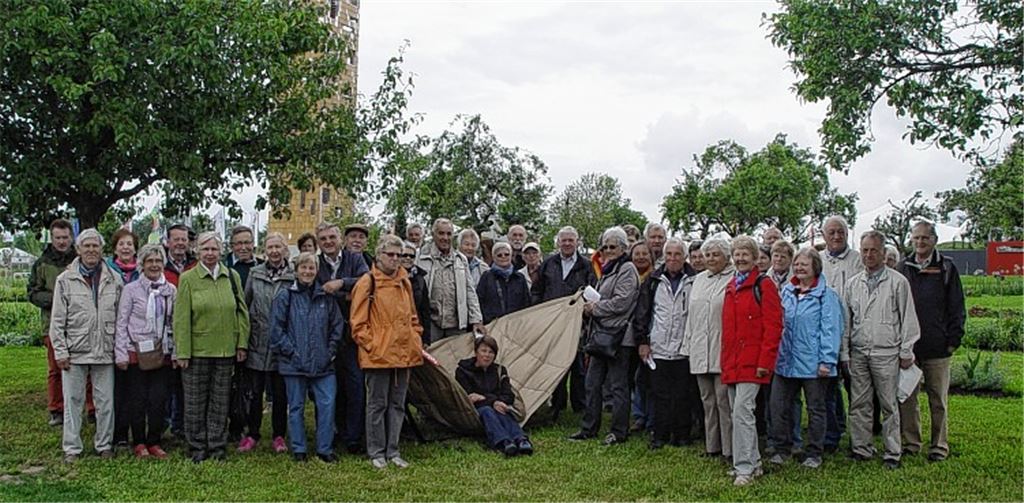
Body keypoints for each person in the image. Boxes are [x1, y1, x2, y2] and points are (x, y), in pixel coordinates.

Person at [842, 230, 920, 470]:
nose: (868, 255)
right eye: (864, 250)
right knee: (859, 403)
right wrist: (844, 351)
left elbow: (908, 318)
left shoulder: (898, 282)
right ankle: (861, 448)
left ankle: (892, 452)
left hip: (886, 353)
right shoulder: (853, 284)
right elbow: (847, 321)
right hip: (859, 351)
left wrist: (906, 350)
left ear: (883, 253)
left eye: (874, 250)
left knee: (889, 404)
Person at [173, 231, 250, 463]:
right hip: (198, 351)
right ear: (197, 251)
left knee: (220, 400)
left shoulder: (232, 276)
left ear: (221, 251)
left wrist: (241, 343)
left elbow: (241, 312)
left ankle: (217, 444)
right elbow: (181, 318)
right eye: (205, 249)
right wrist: (183, 351)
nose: (210, 253)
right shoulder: (188, 279)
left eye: (214, 249)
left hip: (226, 350)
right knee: (195, 401)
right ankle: (197, 445)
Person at [50, 229, 124, 463]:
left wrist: (119, 349)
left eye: (96, 246)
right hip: (75, 350)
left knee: (106, 402)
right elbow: (57, 321)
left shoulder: (114, 278)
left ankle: (104, 445)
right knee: (73, 401)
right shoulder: (65, 280)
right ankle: (72, 448)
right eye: (87, 246)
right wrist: (60, 351)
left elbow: (122, 318)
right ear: (78, 249)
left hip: (105, 349)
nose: (91, 250)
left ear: (102, 250)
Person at [350, 235, 424, 469]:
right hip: (378, 356)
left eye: (398, 255)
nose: (395, 259)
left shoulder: (405, 282)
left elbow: (413, 316)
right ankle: (376, 452)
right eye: (390, 254)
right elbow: (358, 324)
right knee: (377, 405)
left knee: (398, 404)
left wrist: (415, 335)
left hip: (404, 354)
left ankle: (393, 450)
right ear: (378, 255)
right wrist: (373, 345)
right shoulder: (367, 282)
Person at [897, 221, 965, 462]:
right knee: (907, 399)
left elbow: (957, 306)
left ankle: (938, 447)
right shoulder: (903, 266)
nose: (920, 242)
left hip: (937, 346)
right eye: (916, 238)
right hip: (909, 348)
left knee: (938, 400)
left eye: (924, 238)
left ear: (934, 240)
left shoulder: (946, 267)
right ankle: (911, 443)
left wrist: (952, 341)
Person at [769, 247, 842, 469]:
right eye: (797, 264)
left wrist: (827, 360)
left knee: (816, 408)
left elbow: (831, 329)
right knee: (779, 405)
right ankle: (783, 447)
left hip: (813, 363)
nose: (800, 268)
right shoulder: (787, 292)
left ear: (815, 267)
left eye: (805, 264)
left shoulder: (826, 296)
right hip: (786, 361)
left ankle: (814, 452)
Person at [721, 235, 783, 486]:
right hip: (733, 360)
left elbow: (774, 325)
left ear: (756, 257)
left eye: (745, 253)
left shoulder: (764, 284)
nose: (740, 258)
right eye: (737, 253)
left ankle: (744, 467)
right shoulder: (731, 285)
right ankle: (753, 462)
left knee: (743, 413)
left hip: (753, 360)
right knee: (738, 412)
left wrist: (764, 361)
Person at [271, 252, 344, 463]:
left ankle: (325, 448)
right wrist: (292, 353)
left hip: (323, 364)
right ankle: (299, 448)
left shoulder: (326, 297)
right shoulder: (285, 296)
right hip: (293, 363)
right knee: (295, 407)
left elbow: (337, 328)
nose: (307, 271)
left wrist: (329, 353)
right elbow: (276, 331)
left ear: (317, 270)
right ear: (296, 271)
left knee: (327, 404)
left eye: (311, 268)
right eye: (303, 268)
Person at [569, 227, 639, 446]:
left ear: (623, 248)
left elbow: (622, 302)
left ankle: (619, 431)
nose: (608, 251)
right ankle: (589, 427)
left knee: (618, 386)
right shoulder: (608, 269)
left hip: (619, 337)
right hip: (601, 335)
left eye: (612, 247)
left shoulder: (627, 269)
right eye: (604, 247)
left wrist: (594, 308)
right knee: (592, 383)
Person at [632, 238, 697, 449]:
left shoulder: (695, 280)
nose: (672, 259)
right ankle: (659, 434)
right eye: (669, 254)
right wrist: (642, 341)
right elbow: (642, 313)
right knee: (659, 394)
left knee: (683, 394)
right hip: (658, 347)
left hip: (684, 347)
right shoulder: (653, 280)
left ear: (684, 257)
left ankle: (682, 435)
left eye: (677, 254)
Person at [114, 243, 175, 459]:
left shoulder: (170, 290)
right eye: (150, 261)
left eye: (158, 261)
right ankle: (139, 442)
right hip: (135, 352)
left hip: (161, 353)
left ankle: (154, 441)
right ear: (141, 264)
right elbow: (121, 322)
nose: (154, 265)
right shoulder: (131, 290)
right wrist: (121, 353)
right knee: (137, 400)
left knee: (158, 400)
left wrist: (175, 352)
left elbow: (174, 322)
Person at [314, 222, 369, 454]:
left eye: (332, 237)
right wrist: (346, 295)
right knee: (327, 387)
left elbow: (367, 282)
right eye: (323, 238)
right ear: (319, 242)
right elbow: (314, 291)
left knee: (355, 385)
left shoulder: (355, 259)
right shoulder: (314, 264)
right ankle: (329, 432)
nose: (328, 242)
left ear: (340, 239)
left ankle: (353, 436)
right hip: (324, 334)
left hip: (351, 333)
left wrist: (341, 283)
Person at [531, 226, 596, 419]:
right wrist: (541, 311)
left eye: (571, 240)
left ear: (577, 242)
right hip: (552, 322)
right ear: (558, 242)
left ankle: (580, 405)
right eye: (564, 240)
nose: (567, 243)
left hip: (576, 323)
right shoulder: (548, 264)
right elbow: (537, 290)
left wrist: (585, 313)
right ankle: (557, 403)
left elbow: (592, 292)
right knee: (554, 363)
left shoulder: (586, 265)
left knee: (577, 364)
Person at [238, 232, 292, 454]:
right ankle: (253, 434)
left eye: (278, 247)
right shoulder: (255, 273)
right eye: (270, 247)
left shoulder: (293, 275)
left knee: (280, 394)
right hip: (257, 341)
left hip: (281, 343)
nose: (274, 251)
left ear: (285, 250)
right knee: (255, 392)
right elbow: (245, 304)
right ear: (264, 250)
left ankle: (279, 435)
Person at [682, 237, 735, 461]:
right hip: (699, 347)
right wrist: (687, 345)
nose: (711, 259)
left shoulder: (734, 278)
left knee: (724, 401)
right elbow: (690, 315)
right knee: (707, 400)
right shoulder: (699, 280)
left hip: (722, 347)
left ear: (726, 256)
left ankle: (730, 448)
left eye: (716, 254)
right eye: (708, 255)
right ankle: (712, 445)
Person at [27, 218, 79, 427]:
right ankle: (57, 408)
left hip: (78, 323)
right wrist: (57, 299)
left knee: (86, 367)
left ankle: (90, 408)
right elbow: (32, 293)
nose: (62, 242)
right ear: (52, 237)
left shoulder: (79, 259)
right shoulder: (42, 263)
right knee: (56, 368)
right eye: (58, 238)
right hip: (52, 323)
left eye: (65, 237)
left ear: (71, 237)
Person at [820, 215, 864, 452]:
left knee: (856, 388)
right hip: (825, 336)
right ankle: (833, 432)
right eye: (832, 232)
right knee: (828, 387)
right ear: (824, 235)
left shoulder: (858, 260)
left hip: (853, 333)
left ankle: (860, 438)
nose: (836, 236)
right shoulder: (817, 261)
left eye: (841, 232)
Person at [456, 335, 533, 457]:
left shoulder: (500, 370)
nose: (487, 355)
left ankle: (520, 439)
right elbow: (468, 396)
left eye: (491, 352)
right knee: (487, 410)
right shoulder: (463, 371)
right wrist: (493, 401)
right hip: (474, 411)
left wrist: (493, 401)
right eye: (483, 351)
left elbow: (508, 395)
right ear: (476, 352)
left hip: (496, 406)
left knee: (500, 410)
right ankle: (503, 442)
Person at [416, 218, 485, 343]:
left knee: (456, 359)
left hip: (456, 323)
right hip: (431, 322)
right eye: (441, 233)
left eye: (449, 234)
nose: (445, 237)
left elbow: (470, 291)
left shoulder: (460, 259)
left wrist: (476, 320)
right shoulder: (421, 257)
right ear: (433, 234)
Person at [225, 225, 262, 445]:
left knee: (252, 385)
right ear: (232, 246)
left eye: (247, 242)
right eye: (239, 243)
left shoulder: (260, 268)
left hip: (256, 334)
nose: (244, 247)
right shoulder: (225, 269)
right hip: (232, 333)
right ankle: (233, 425)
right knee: (232, 383)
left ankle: (251, 425)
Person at [626, 240, 654, 434]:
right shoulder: (625, 275)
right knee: (634, 379)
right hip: (628, 335)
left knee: (648, 379)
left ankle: (651, 417)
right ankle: (638, 416)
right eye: (637, 253)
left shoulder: (655, 277)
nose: (641, 257)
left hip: (649, 334)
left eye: (645, 253)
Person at [476, 242, 531, 324]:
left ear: (511, 256)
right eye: (499, 255)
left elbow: (526, 303)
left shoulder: (519, 278)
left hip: (516, 324)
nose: (503, 257)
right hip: (493, 325)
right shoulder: (487, 277)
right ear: (494, 257)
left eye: (506, 254)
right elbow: (479, 301)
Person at [400, 241, 431, 343]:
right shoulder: (389, 276)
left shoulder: (420, 279)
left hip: (415, 329)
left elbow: (425, 310)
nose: (408, 258)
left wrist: (426, 338)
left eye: (411, 256)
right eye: (404, 255)